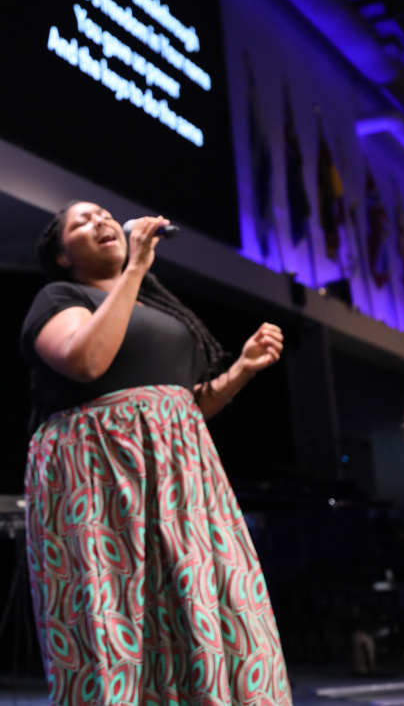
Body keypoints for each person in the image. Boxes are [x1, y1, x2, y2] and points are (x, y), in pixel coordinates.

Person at [21, 201, 291, 705]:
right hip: (100, 474)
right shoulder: (60, 297)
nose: (101, 221)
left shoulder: (157, 308)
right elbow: (85, 361)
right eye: (83, 221)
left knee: (209, 602)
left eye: (104, 214)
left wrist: (242, 369)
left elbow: (181, 406)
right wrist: (137, 268)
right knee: (116, 610)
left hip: (180, 474)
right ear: (62, 256)